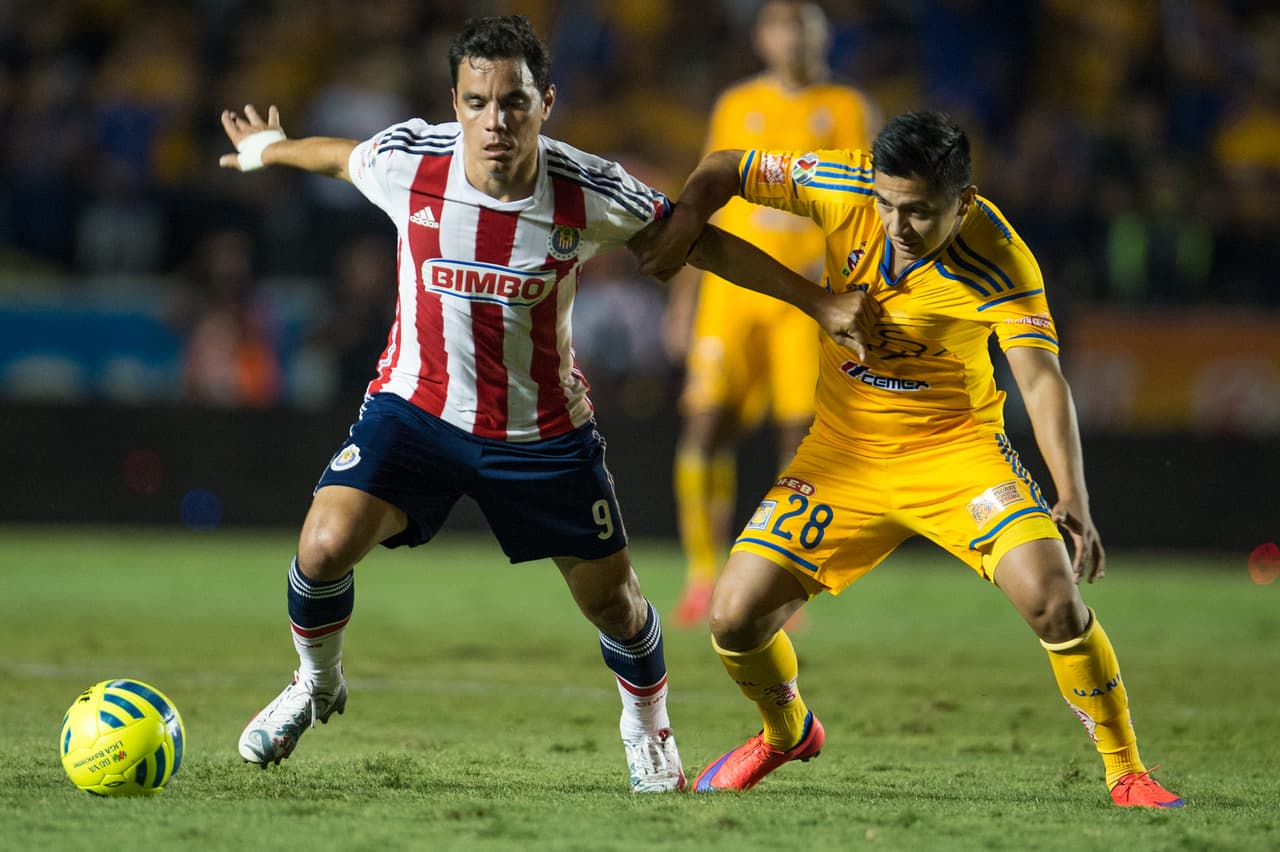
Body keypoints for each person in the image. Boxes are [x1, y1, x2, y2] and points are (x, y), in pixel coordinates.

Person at [217, 15, 869, 794]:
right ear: (454, 103)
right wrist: (271, 148)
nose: (495, 120)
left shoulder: (588, 189)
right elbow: (338, 158)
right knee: (323, 547)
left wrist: (818, 302)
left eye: (514, 102)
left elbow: (698, 240)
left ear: (546, 103)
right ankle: (315, 683)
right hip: (415, 413)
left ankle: (648, 728)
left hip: (542, 433)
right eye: (477, 102)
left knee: (616, 606)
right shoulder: (409, 162)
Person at [631, 111, 1185, 808]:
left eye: (919, 211)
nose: (897, 224)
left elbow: (1041, 380)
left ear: (964, 200)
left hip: (957, 454)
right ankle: (786, 730)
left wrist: (1072, 497)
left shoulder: (999, 259)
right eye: (887, 204)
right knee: (732, 618)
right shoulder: (841, 182)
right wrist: (692, 226)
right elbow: (723, 169)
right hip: (843, 452)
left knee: (1053, 600)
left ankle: (1126, 770)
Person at [667, 0, 879, 627]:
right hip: (730, 294)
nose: (794, 40)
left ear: (824, 38)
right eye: (783, 28)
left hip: (806, 299)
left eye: (805, 29)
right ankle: (702, 576)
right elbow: (703, 199)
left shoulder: (847, 108)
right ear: (762, 38)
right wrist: (683, 299)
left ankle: (779, 581)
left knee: (800, 439)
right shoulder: (736, 105)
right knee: (706, 426)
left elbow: (867, 204)